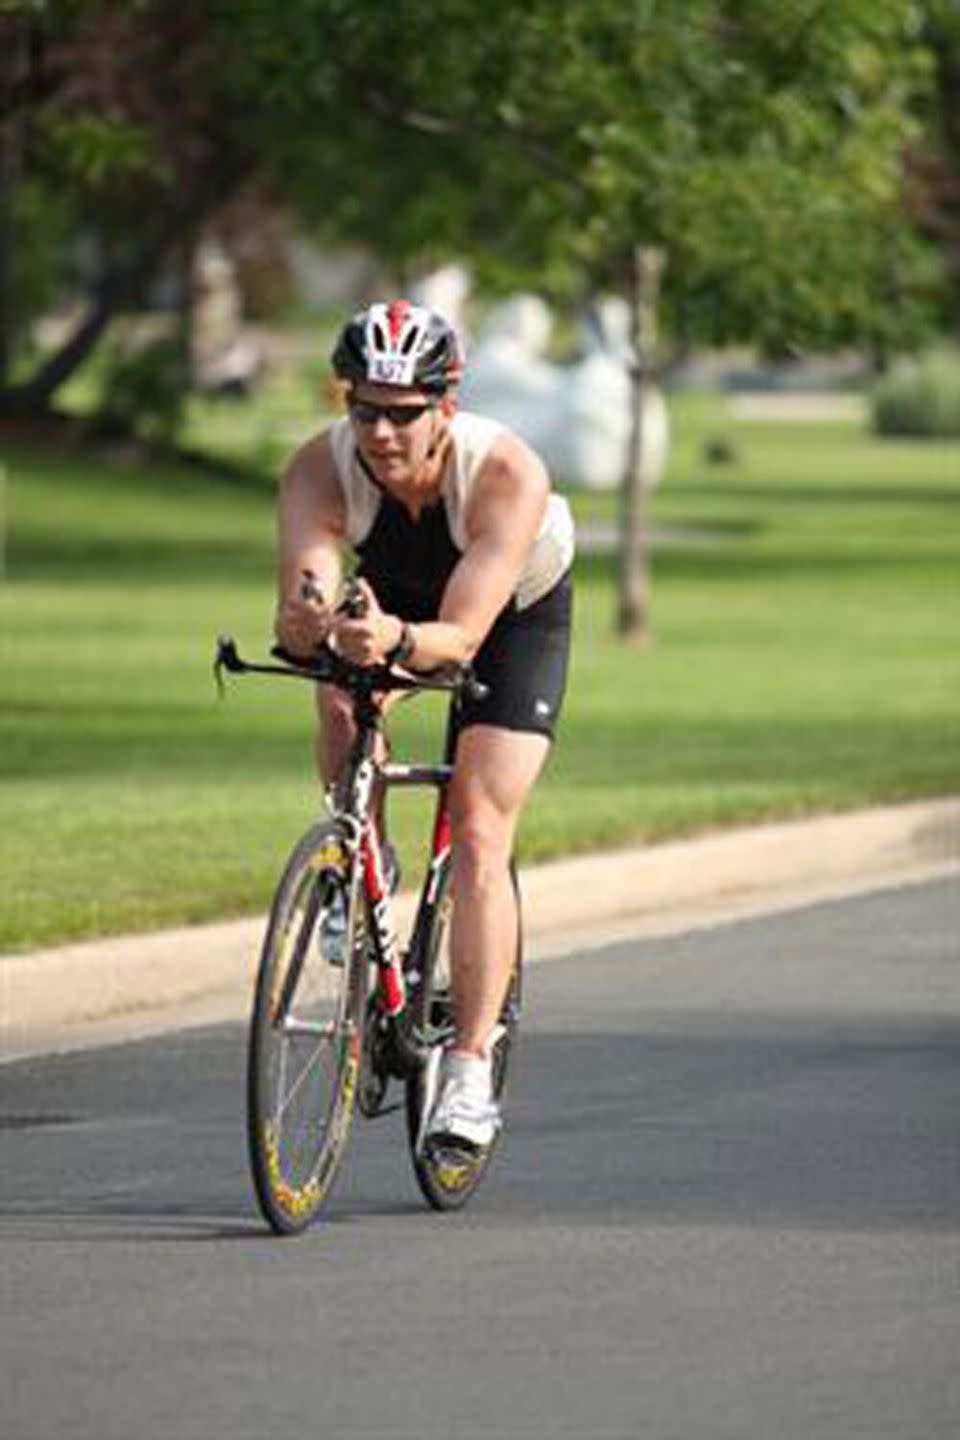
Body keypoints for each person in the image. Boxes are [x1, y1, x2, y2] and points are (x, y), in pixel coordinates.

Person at [274, 299, 574, 1157]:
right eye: (363, 409)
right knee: (337, 694)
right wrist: (315, 620)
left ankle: (471, 1073)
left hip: (508, 612)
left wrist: (395, 642)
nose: (381, 432)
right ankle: (359, 856)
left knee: (480, 825)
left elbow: (462, 640)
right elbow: (305, 592)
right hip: (399, 585)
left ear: (445, 406)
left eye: (403, 415)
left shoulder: (508, 473)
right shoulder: (318, 470)